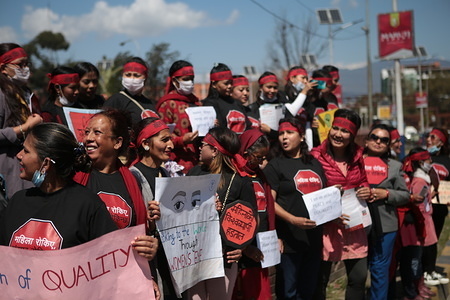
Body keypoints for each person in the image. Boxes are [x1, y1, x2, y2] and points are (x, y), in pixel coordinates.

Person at [0, 122, 117, 249]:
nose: (19, 155)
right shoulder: (18, 201)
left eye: (26, 151)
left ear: (46, 164)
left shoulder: (87, 205)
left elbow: (111, 253)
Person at [186, 127, 256, 300]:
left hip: (223, 256)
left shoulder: (240, 180)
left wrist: (242, 247)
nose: (199, 148)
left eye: (203, 145)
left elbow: (251, 219)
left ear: (215, 150)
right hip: (194, 253)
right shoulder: (194, 173)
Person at [310, 109, 371, 300]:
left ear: (352, 135)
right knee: (320, 281)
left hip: (355, 226)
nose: (338, 134)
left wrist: (366, 190)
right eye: (335, 128)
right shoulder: (315, 156)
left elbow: (363, 180)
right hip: (327, 229)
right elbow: (311, 192)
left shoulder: (358, 156)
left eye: (345, 131)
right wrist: (330, 209)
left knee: (358, 278)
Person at [264, 118, 327, 300]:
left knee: (308, 290)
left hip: (313, 239)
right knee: (288, 292)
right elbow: (269, 202)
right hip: (288, 239)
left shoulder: (314, 163)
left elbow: (322, 196)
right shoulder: (275, 165)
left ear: (301, 137)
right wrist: (292, 219)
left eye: (289, 133)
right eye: (282, 133)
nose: (284, 137)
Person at [128, 117, 178, 299]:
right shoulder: (133, 176)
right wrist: (146, 220)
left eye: (171, 139)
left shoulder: (165, 173)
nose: (171, 145)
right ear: (146, 143)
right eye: (165, 140)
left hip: (168, 257)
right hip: (148, 260)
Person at [363, 124, 410, 300]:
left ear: (388, 145)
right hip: (358, 225)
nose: (378, 142)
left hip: (386, 226)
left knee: (380, 270)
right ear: (367, 140)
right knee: (358, 273)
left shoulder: (395, 166)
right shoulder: (352, 163)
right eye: (374, 137)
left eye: (384, 140)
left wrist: (387, 194)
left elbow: (405, 195)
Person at [231, 129, 274, 300]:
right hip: (240, 249)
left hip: (260, 245)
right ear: (246, 152)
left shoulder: (260, 175)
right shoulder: (235, 175)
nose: (263, 162)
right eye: (259, 157)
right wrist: (245, 248)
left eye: (265, 157)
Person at [0, 43, 43, 199]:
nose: (25, 68)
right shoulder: (1, 94)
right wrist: (25, 127)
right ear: (3, 68)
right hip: (7, 169)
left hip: (27, 169)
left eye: (26, 64)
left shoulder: (26, 93)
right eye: (19, 64)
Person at [398, 148, 439, 299]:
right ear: (421, 162)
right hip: (417, 225)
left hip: (422, 223)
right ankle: (412, 290)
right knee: (413, 260)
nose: (431, 162)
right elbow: (418, 208)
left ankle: (419, 286)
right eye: (428, 160)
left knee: (418, 258)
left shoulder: (423, 180)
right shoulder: (419, 181)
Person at [156, 60, 200, 173]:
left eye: (191, 78)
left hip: (198, 163)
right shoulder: (167, 104)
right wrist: (182, 140)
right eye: (185, 79)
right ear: (174, 81)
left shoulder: (196, 102)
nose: (190, 82)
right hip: (176, 163)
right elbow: (161, 136)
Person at [422, 128, 450, 285]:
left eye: (433, 137)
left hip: (439, 208)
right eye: (428, 136)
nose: (429, 139)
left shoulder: (447, 161)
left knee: (433, 240)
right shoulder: (420, 156)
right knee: (421, 239)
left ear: (441, 142)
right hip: (421, 207)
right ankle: (421, 271)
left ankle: (429, 270)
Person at [104, 57, 158, 125]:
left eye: (136, 75)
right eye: (128, 75)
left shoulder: (149, 103)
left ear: (145, 78)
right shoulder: (115, 100)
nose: (132, 79)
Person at [202, 63, 250, 134]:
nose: (230, 86)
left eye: (231, 83)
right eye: (226, 84)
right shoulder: (209, 104)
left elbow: (248, 127)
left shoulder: (236, 103)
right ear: (214, 84)